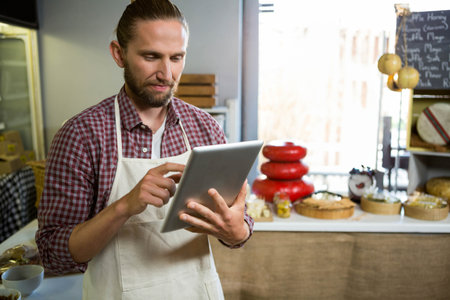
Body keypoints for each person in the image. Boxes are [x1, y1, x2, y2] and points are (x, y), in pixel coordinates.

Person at [35, 0, 254, 299]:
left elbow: (240, 228)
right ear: (119, 53)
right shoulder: (81, 135)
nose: (166, 73)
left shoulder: (206, 128)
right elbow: (53, 253)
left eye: (177, 57)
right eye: (151, 56)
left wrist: (235, 230)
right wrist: (125, 207)